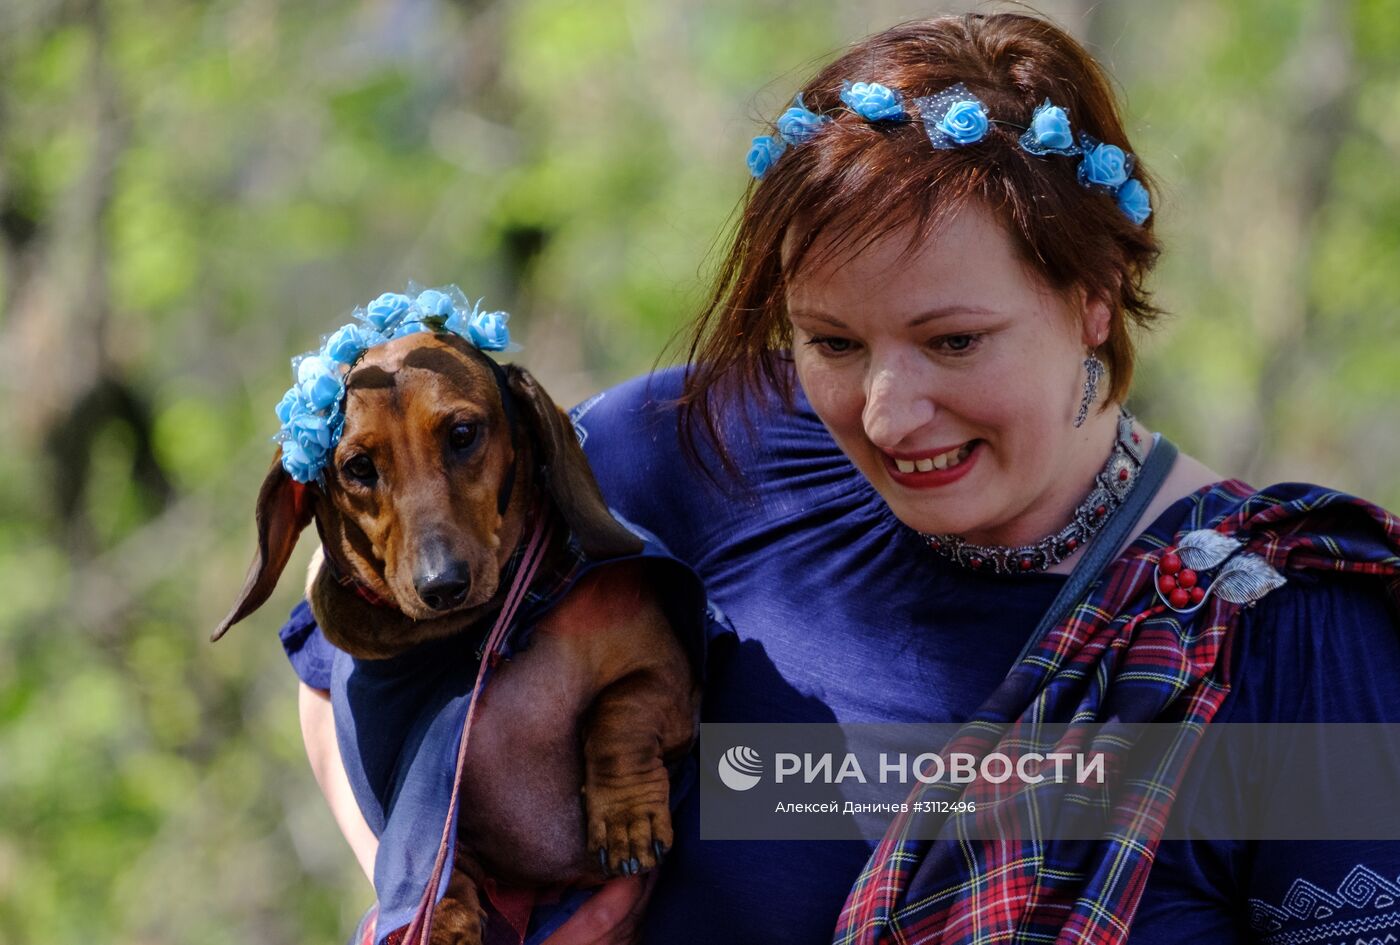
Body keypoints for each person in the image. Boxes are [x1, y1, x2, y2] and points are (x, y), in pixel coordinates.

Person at [282, 12, 1400, 945]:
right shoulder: (700, 456)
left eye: (954, 341)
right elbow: (340, 646)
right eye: (832, 343)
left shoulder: (1280, 641)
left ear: (1091, 298)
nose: (887, 413)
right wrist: (443, 887)